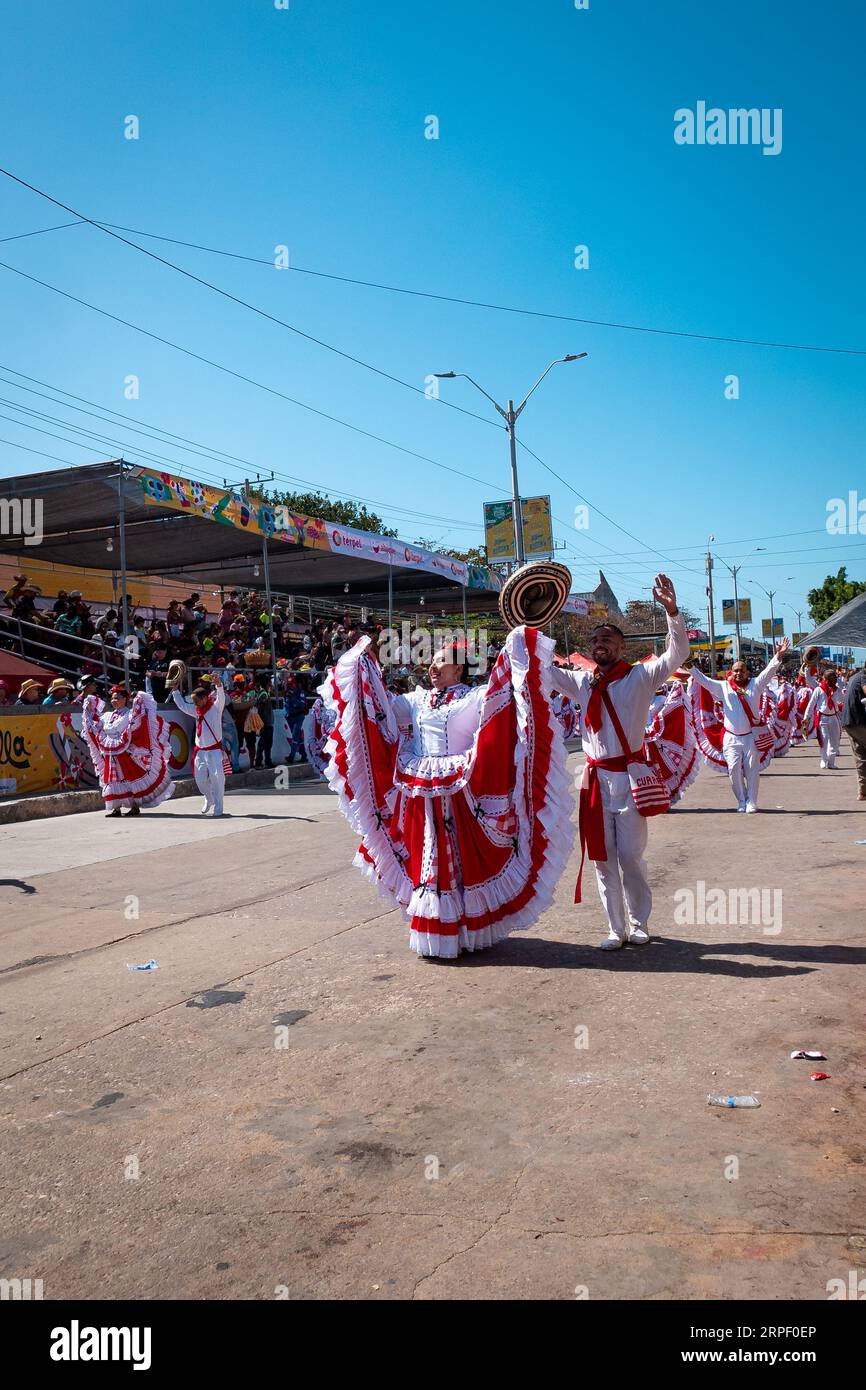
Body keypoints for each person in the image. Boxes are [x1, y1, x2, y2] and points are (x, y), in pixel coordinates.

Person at [320, 627, 573, 959]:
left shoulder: (474, 697)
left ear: (458, 669)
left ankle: (464, 930)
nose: (433, 668)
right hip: (421, 792)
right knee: (429, 859)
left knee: (460, 859)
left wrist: (517, 647)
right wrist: (365, 663)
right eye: (432, 662)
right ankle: (439, 928)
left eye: (441, 662)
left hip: (461, 792)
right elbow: (380, 709)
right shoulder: (416, 700)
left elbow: (506, 695)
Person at [550, 575, 689, 950]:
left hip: (629, 778)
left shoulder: (641, 676)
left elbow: (677, 655)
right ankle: (616, 929)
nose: (599, 645)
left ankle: (639, 921)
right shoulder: (581, 681)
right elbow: (541, 670)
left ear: (621, 646)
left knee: (629, 855)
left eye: (607, 639)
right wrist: (526, 628)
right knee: (602, 858)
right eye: (595, 640)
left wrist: (672, 612)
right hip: (594, 779)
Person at [689, 640, 790, 813]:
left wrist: (778, 655)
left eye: (741, 671)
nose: (738, 673)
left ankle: (752, 801)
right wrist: (689, 666)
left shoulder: (756, 684)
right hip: (731, 738)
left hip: (751, 737)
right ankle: (741, 800)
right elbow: (703, 680)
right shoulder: (723, 687)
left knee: (752, 770)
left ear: (747, 672)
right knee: (733, 770)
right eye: (735, 670)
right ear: (731, 672)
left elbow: (769, 671)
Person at [81, 684, 174, 817]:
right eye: (112, 698)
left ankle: (135, 806)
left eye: (117, 698)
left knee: (129, 777)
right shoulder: (107, 716)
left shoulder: (129, 714)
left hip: (124, 753)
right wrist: (89, 710)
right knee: (112, 779)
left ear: (125, 699)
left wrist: (139, 703)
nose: (114, 701)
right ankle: (116, 808)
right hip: (110, 753)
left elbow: (135, 725)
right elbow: (96, 726)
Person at [164, 673, 227, 817]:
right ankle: (209, 798)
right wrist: (175, 691)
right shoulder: (196, 710)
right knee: (200, 779)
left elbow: (221, 697)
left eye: (197, 701)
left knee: (218, 779)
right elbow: (182, 705)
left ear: (205, 698)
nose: (195, 704)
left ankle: (219, 808)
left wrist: (218, 685)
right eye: (194, 701)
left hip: (214, 751)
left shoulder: (216, 708)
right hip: (200, 752)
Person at [803, 668, 843, 770]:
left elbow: (842, 700)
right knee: (823, 740)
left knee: (835, 741)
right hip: (822, 718)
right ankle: (823, 759)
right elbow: (811, 704)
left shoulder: (837, 689)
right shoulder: (819, 689)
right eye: (831, 677)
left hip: (834, 717)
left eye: (835, 677)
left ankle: (831, 762)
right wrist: (806, 718)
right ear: (825, 678)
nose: (834, 679)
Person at [841, 662, 866, 801]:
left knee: (861, 755)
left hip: (849, 721)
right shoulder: (864, 676)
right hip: (857, 720)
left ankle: (862, 792)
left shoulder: (855, 676)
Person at [253, 675, 274, 768]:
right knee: (263, 743)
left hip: (267, 722)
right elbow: (261, 706)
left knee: (268, 744)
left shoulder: (265, 692)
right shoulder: (263, 693)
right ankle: (258, 762)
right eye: (269, 682)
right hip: (265, 723)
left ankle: (267, 761)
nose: (271, 683)